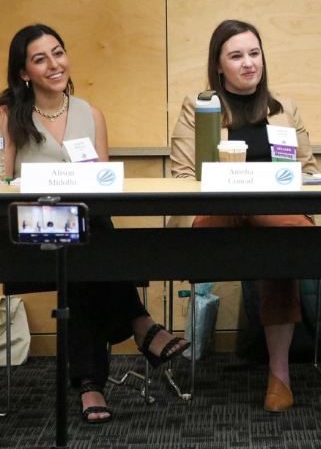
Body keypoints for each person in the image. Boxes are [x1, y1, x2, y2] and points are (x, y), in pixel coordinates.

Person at [170, 19, 321, 412]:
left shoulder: (283, 108)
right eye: (236, 56)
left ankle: (280, 379)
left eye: (254, 53)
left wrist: (294, 182)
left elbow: (306, 170)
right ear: (219, 65)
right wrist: (245, 182)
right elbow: (184, 177)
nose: (249, 63)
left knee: (278, 245)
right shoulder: (199, 107)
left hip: (275, 225)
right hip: (212, 220)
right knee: (264, 207)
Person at [0, 24, 189, 423]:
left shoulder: (91, 114)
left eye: (58, 52)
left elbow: (103, 187)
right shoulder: (8, 117)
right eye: (40, 59)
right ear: (23, 72)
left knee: (85, 239)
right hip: (29, 228)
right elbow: (1, 184)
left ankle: (90, 384)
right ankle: (143, 325)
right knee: (89, 238)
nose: (54, 64)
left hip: (81, 231)